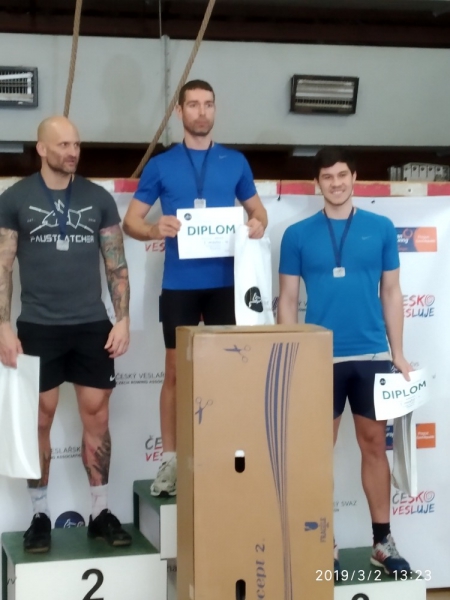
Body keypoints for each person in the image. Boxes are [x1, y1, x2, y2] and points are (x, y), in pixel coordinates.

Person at [123, 79, 267, 497]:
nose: (201, 112)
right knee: (174, 372)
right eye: (193, 105)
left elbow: (259, 213)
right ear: (179, 111)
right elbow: (131, 222)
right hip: (181, 284)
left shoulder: (235, 162)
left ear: (215, 109)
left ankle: (230, 456)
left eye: (208, 104)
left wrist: (257, 225)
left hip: (227, 285)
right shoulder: (161, 165)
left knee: (230, 372)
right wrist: (153, 228)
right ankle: (169, 461)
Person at [277, 147, 411, 576]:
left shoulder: (381, 228)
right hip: (319, 359)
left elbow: (391, 292)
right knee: (318, 453)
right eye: (327, 177)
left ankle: (382, 542)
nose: (335, 183)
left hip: (371, 355)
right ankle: (325, 542)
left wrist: (398, 353)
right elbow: (288, 301)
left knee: (374, 446)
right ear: (317, 183)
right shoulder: (297, 235)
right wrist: (290, 356)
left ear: (354, 177)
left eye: (342, 175)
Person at [0, 116, 131, 552]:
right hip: (38, 327)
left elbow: (116, 263)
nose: (72, 152)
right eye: (63, 145)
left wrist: (123, 318)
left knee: (98, 417)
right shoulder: (14, 198)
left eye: (76, 144)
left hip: (91, 324)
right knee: (40, 419)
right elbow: (2, 267)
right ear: (41, 148)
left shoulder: (98, 198)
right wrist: (2, 325)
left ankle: (100, 513)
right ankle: (40, 515)